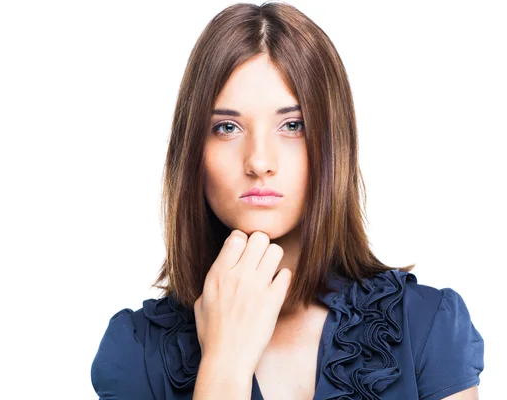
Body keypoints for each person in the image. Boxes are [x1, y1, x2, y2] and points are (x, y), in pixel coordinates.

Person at [90, 2, 484, 399]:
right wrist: (225, 364)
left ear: (333, 143)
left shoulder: (426, 327)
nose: (259, 161)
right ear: (192, 149)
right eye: (227, 127)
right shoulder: (136, 353)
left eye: (292, 125)